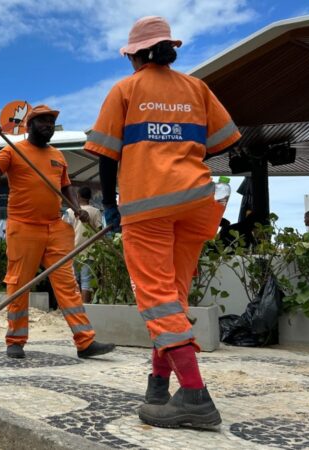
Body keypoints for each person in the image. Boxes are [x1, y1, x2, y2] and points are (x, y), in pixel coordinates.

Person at [86, 16, 241, 429]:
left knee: (156, 300)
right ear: (168, 48)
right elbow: (223, 143)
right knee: (173, 297)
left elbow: (106, 154)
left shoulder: (126, 89)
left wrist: (112, 206)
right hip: (197, 201)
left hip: (148, 207)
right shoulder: (196, 87)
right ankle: (158, 385)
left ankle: (193, 396)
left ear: (135, 55)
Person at [0, 103, 116, 360]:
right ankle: (16, 340)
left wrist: (77, 208)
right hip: (23, 227)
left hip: (55, 227)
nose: (49, 126)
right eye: (43, 121)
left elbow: (65, 187)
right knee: (19, 285)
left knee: (67, 285)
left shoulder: (58, 155)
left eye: (51, 122)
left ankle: (85, 341)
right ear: (29, 125)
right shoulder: (13, 150)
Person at [64, 186, 103, 304]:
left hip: (72, 252)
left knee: (72, 281)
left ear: (78, 196)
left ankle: (73, 307)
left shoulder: (69, 212)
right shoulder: (96, 211)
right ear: (90, 198)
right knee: (87, 282)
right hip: (89, 252)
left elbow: (63, 231)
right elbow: (100, 232)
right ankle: (85, 308)